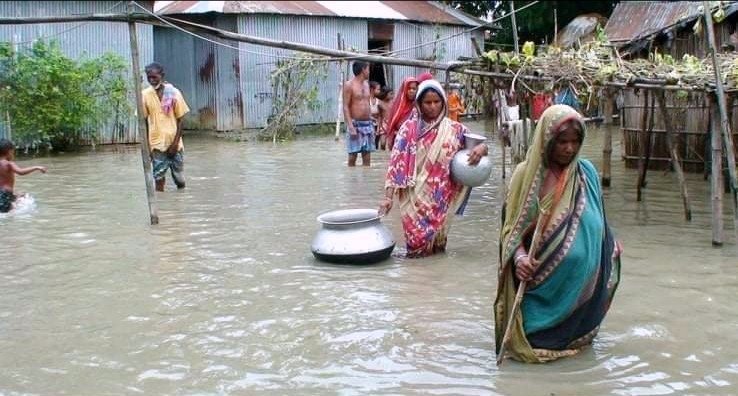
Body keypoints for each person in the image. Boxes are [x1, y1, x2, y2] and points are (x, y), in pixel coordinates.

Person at [494, 105, 622, 363]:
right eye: (562, 142)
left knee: (576, 342)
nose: (569, 148)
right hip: (539, 279)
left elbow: (599, 222)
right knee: (531, 343)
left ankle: (574, 338)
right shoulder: (525, 175)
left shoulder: (587, 174)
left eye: (576, 142)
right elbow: (510, 229)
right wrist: (519, 259)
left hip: (579, 284)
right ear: (548, 140)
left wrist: (609, 248)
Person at [378, 80, 488, 257]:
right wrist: (388, 198)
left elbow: (478, 145)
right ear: (419, 104)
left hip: (440, 199)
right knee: (415, 250)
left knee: (438, 248)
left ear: (443, 102)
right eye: (427, 103)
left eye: (436, 102)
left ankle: (439, 280)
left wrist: (481, 149)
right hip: (413, 199)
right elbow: (395, 165)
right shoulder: (408, 129)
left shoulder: (454, 129)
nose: (432, 107)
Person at [142, 62, 190, 192]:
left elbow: (181, 120)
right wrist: (147, 146)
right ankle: (162, 205)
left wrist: (175, 144)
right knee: (159, 178)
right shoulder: (145, 95)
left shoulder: (174, 93)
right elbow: (144, 122)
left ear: (162, 76)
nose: (152, 80)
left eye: (154, 77)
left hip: (175, 143)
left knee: (179, 179)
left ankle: (180, 200)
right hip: (156, 144)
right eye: (149, 78)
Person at [0, 139, 47, 213]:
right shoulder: (8, 164)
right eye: (13, 152)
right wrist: (36, 167)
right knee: (7, 213)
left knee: (22, 196)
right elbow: (21, 172)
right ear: (10, 151)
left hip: (3, 194)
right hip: (6, 194)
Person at [342, 61, 375, 167]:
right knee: (352, 156)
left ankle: (366, 182)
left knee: (367, 156)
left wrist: (371, 118)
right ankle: (352, 181)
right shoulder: (349, 85)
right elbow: (345, 106)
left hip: (367, 124)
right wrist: (350, 126)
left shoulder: (366, 85)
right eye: (368, 69)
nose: (369, 72)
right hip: (355, 124)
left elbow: (367, 104)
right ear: (363, 70)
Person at [384, 77, 418, 151]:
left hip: (413, 143)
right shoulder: (397, 105)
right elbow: (392, 123)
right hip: (397, 141)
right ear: (404, 89)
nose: (411, 91)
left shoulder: (418, 105)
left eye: (414, 88)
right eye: (409, 88)